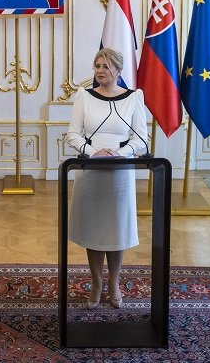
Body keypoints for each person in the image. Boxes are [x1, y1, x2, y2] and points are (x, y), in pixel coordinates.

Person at [66, 48, 148, 308]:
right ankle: (96, 283)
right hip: (91, 171)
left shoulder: (133, 97)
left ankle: (114, 282)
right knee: (94, 229)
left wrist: (120, 153)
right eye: (97, 66)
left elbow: (141, 139)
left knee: (115, 229)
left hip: (119, 172)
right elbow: (73, 134)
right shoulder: (84, 96)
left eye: (106, 66)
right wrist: (93, 152)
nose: (100, 71)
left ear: (118, 71)